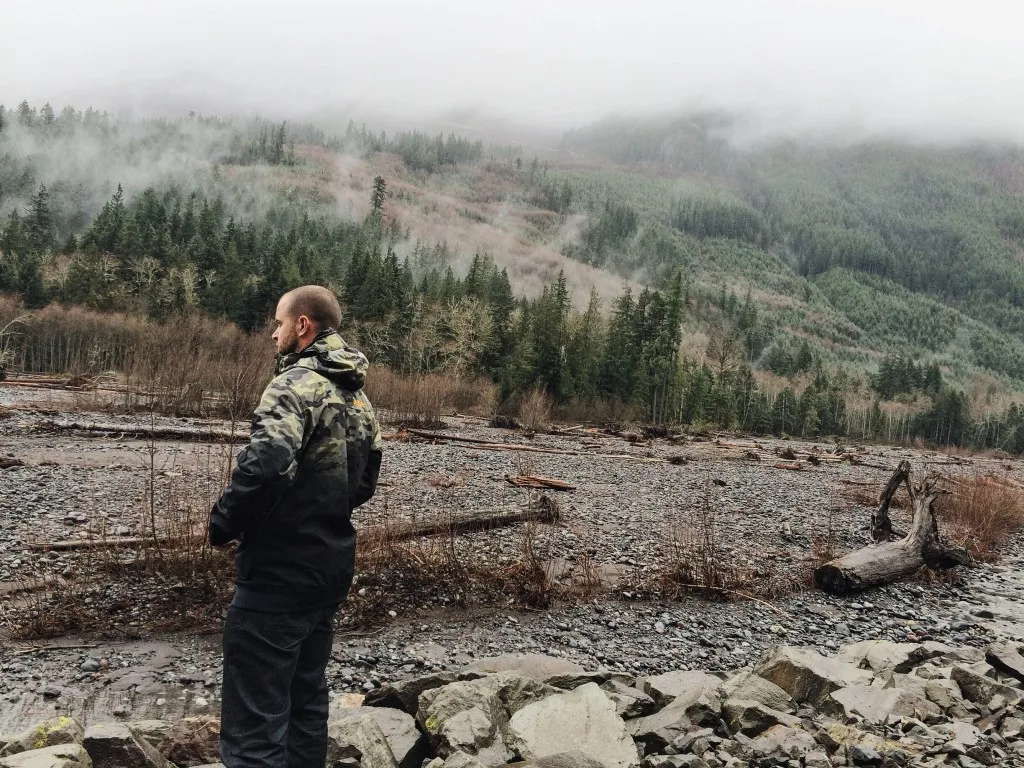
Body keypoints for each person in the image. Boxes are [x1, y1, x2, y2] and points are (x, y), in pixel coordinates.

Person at [209, 285, 382, 768]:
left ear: (303, 325)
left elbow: (265, 464)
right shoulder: (359, 397)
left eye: (279, 323)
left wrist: (223, 522)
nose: (273, 333)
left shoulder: (294, 385)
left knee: (254, 723)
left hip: (277, 571)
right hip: (329, 567)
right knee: (306, 701)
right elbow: (365, 481)